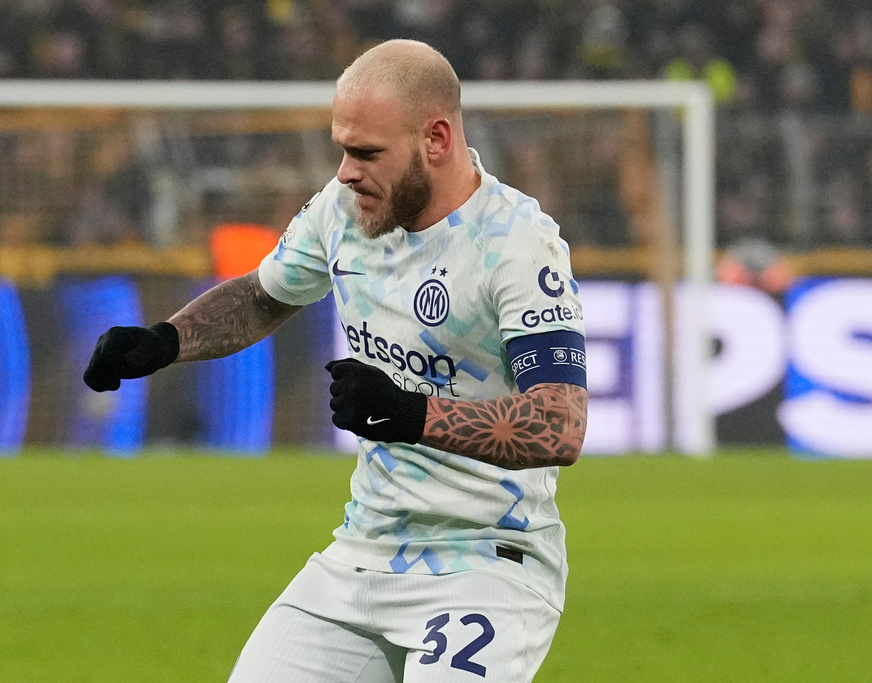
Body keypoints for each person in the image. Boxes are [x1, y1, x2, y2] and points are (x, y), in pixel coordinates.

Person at [83, 39, 588, 683]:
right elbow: (265, 295)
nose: (347, 171)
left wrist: (407, 413)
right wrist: (165, 342)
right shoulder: (343, 211)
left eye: (367, 153)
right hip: (364, 550)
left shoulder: (517, 244)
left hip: (487, 562)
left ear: (436, 139)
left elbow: (559, 425)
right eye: (343, 149)